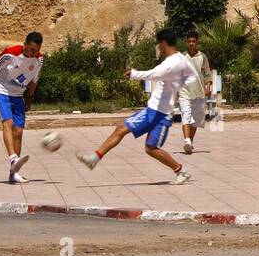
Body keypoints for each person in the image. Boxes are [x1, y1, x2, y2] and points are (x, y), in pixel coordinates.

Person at [76, 27, 196, 183]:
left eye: (158, 44)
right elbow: (193, 75)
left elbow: (155, 74)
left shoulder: (171, 63)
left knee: (142, 143)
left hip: (159, 114)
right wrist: (179, 84)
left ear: (163, 43)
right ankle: (95, 157)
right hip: (155, 110)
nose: (158, 48)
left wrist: (134, 74)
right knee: (136, 139)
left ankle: (180, 171)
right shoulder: (182, 59)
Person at [0, 31, 44, 184]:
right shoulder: (9, 54)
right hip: (1, 91)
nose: (32, 53)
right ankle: (14, 159)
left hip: (18, 95)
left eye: (36, 50)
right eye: (30, 49)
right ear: (25, 44)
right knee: (7, 123)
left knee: (19, 131)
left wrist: (30, 97)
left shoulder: (39, 60)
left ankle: (14, 174)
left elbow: (34, 80)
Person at [179, 30, 213, 154]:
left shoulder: (202, 57)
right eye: (189, 41)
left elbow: (207, 74)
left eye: (193, 41)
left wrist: (208, 87)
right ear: (186, 43)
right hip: (185, 92)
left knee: (196, 119)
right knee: (186, 115)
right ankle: (187, 140)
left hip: (199, 92)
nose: (191, 44)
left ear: (197, 42)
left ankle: (190, 142)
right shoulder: (182, 57)